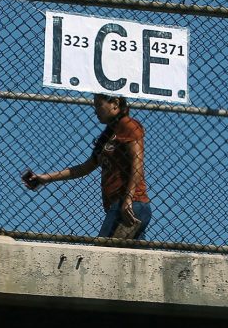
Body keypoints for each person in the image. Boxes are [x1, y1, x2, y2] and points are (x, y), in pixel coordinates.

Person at [23, 94, 151, 239]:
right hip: (121, 205)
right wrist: (45, 178)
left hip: (130, 204)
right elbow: (85, 168)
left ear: (115, 103)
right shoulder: (108, 135)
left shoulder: (128, 125)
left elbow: (137, 162)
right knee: (125, 258)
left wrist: (128, 198)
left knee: (102, 253)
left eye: (98, 105)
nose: (95, 111)